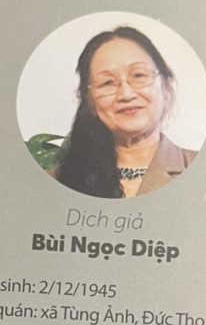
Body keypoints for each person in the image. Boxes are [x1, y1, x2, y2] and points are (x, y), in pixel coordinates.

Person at [54, 26, 196, 198]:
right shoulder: (56, 180)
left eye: (138, 75)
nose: (126, 94)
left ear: (165, 88)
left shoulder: (204, 169)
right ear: (90, 102)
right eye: (107, 83)